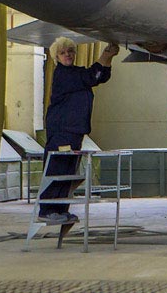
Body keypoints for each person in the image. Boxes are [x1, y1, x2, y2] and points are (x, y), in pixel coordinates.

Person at [37, 38, 120, 223]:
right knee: (57, 168)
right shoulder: (63, 75)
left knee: (68, 171)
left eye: (70, 51)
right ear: (56, 57)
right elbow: (91, 77)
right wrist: (105, 55)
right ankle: (46, 209)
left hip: (75, 130)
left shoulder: (75, 72)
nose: (67, 55)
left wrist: (109, 58)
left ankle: (61, 209)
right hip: (62, 130)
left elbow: (100, 76)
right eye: (62, 53)